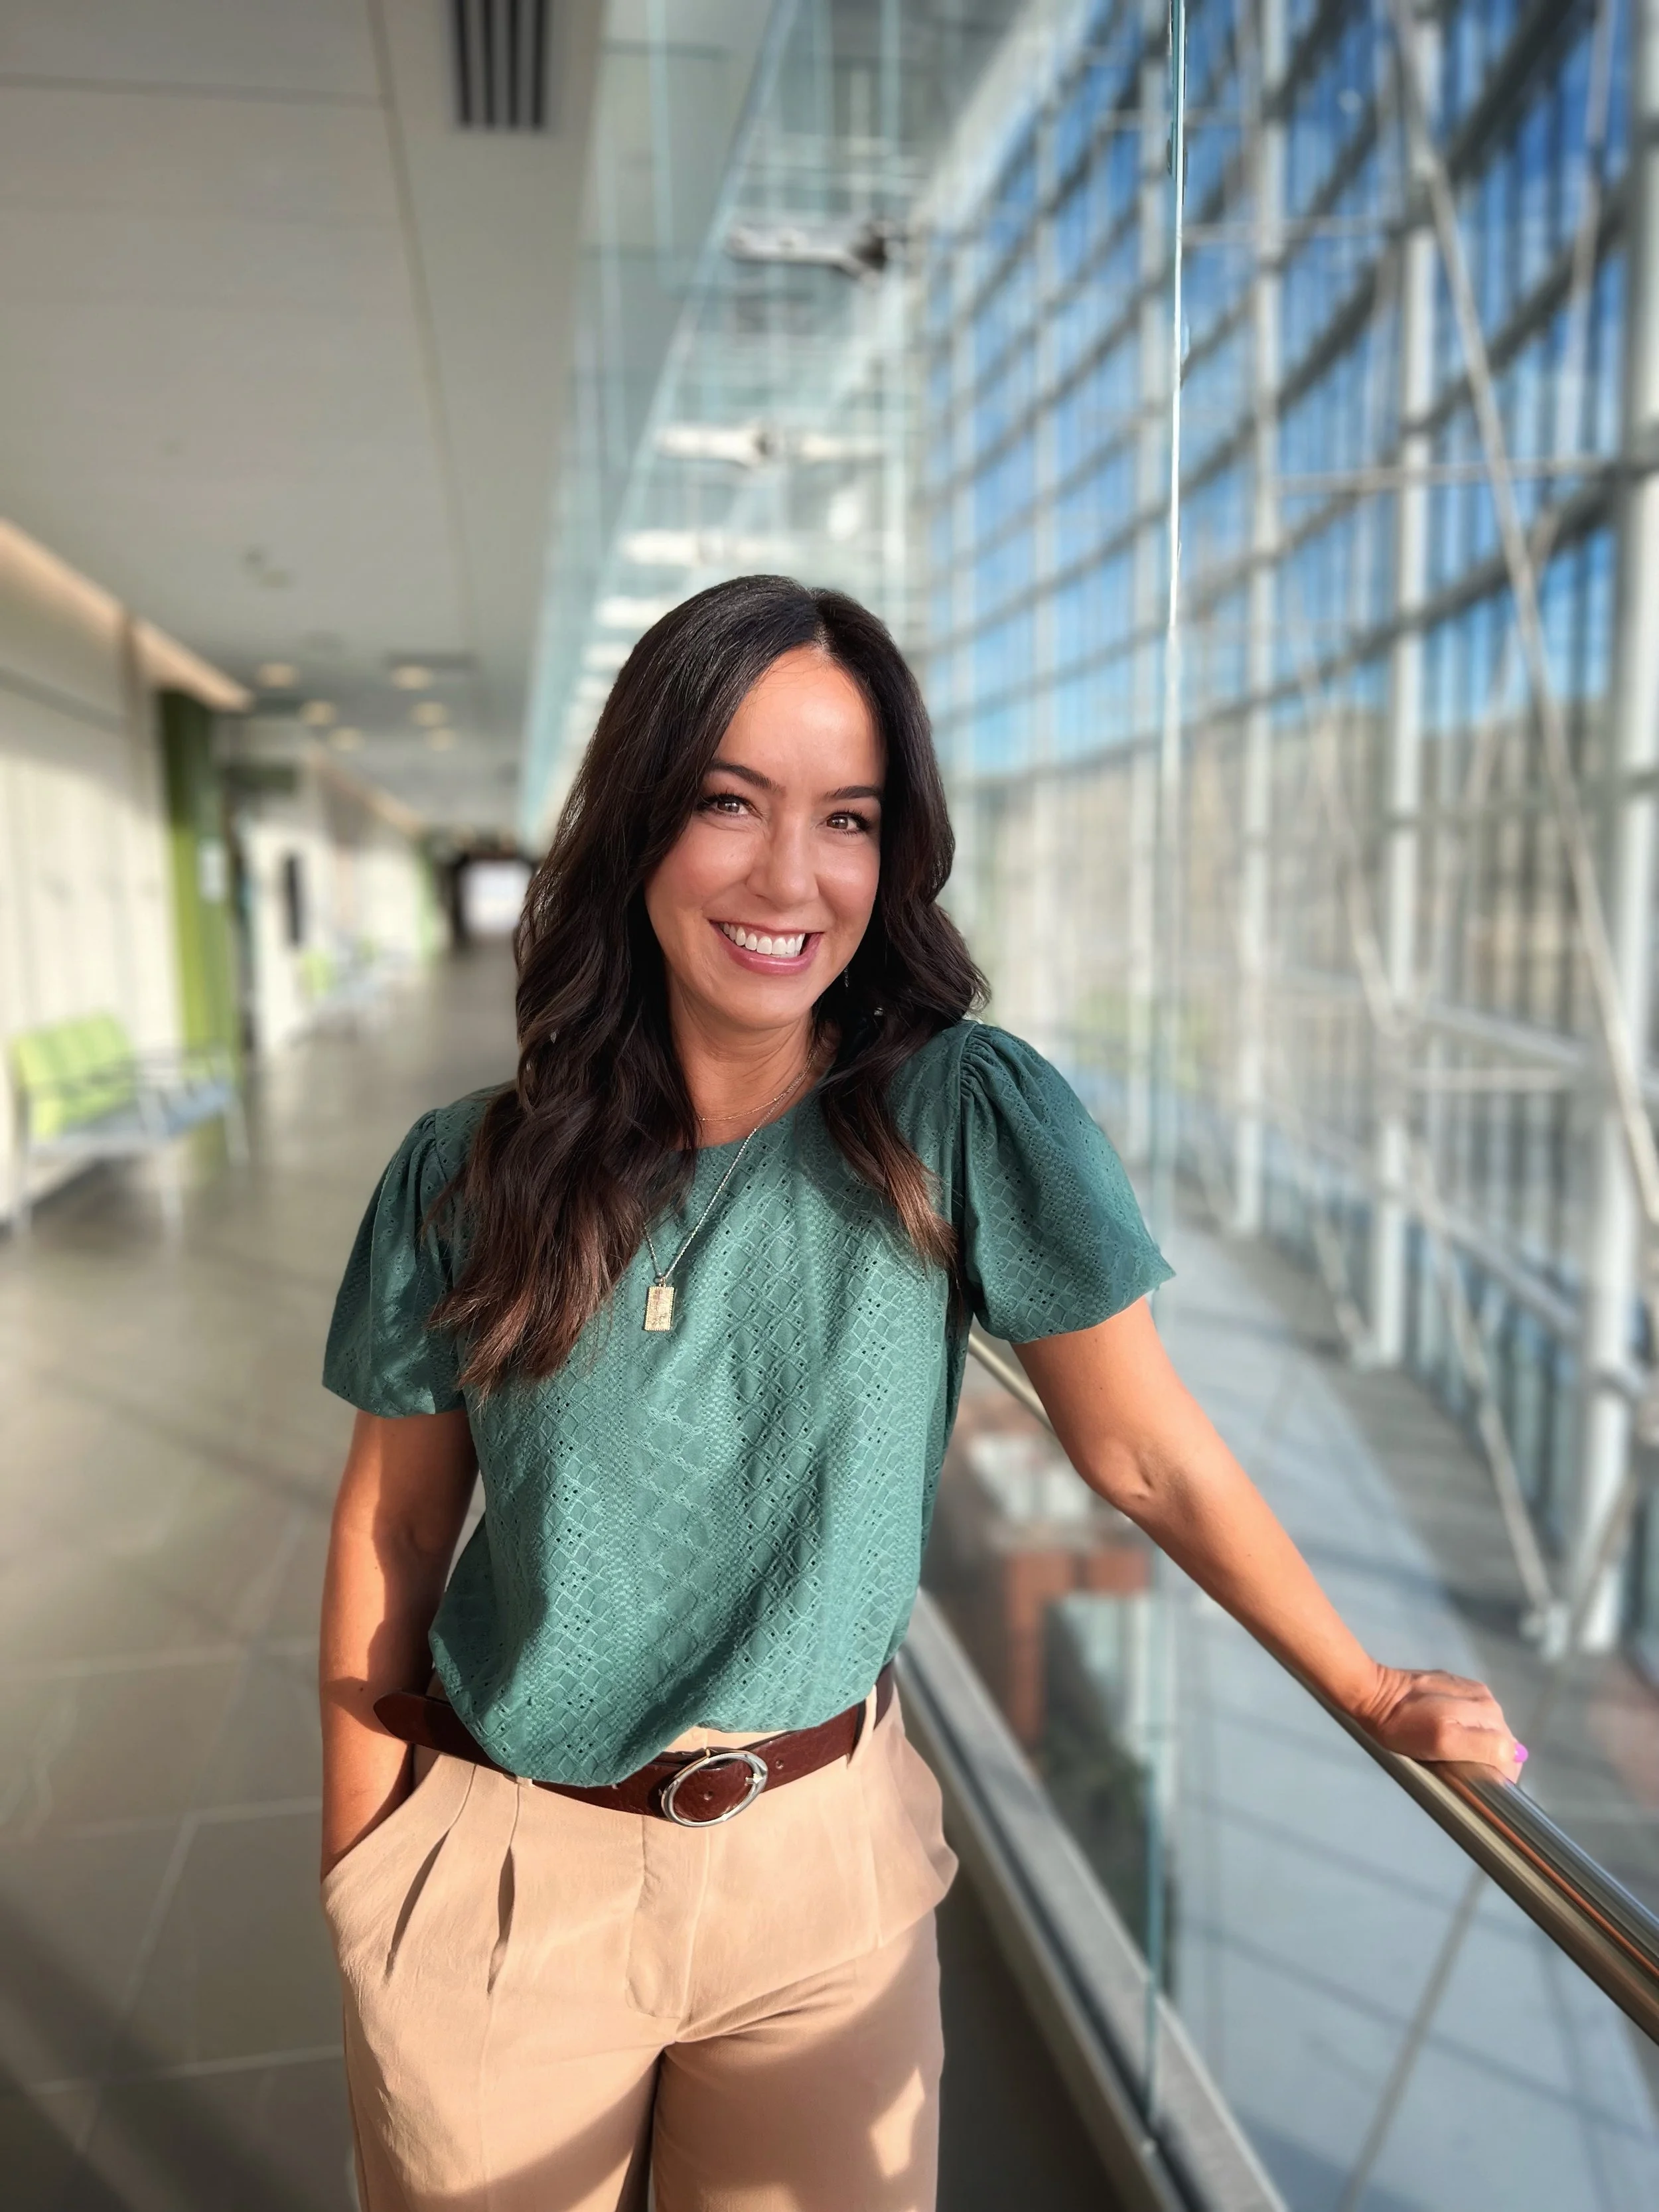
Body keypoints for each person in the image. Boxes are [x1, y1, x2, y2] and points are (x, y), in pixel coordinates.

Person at [317, 575, 1521, 2212]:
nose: (787, 875)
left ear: (893, 858)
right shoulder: (466, 1169)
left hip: (820, 1867)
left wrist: (1368, 1687)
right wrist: (369, 1882)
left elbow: (1142, 1450)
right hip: (511, 1862)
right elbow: (395, 1513)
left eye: (847, 819)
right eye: (726, 802)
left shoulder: (955, 1116)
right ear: (635, 822)